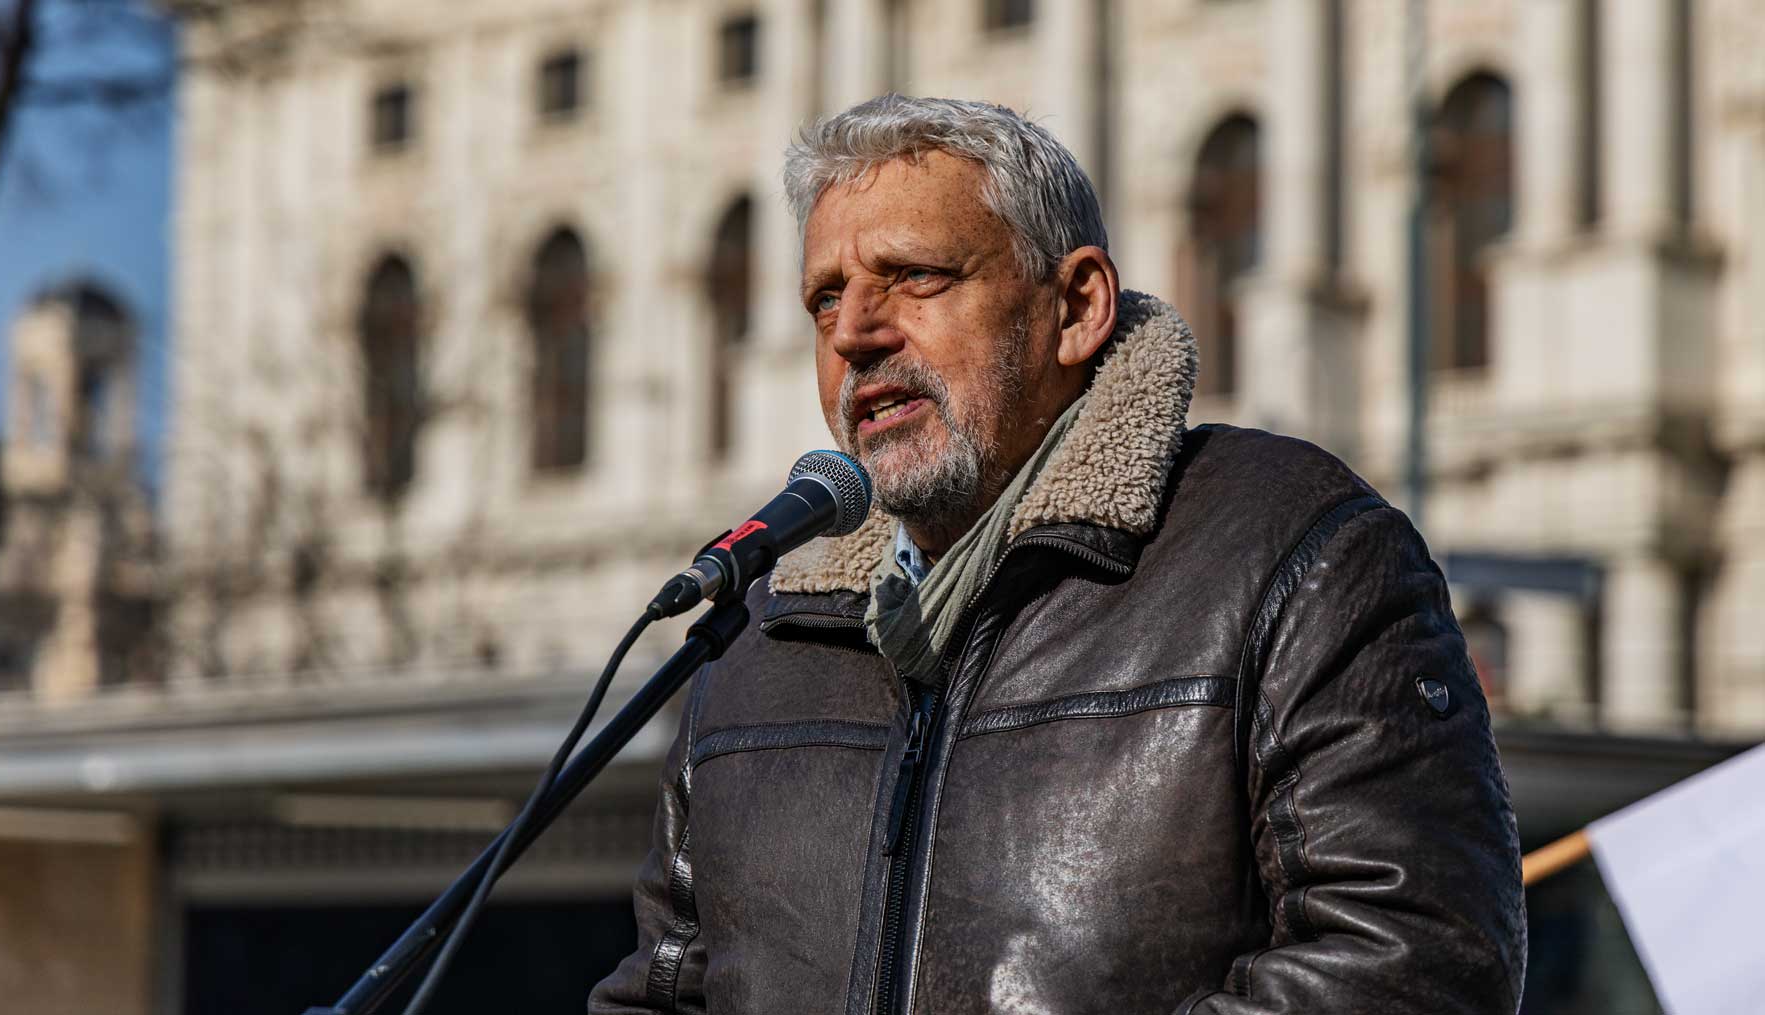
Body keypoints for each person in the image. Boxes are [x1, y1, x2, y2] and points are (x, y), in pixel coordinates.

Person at [591, 95, 1526, 1015]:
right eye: (825, 297)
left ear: (1075, 307)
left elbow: (1409, 965)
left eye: (914, 276)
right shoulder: (756, 640)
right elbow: (663, 992)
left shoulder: (1295, 550)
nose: (853, 333)